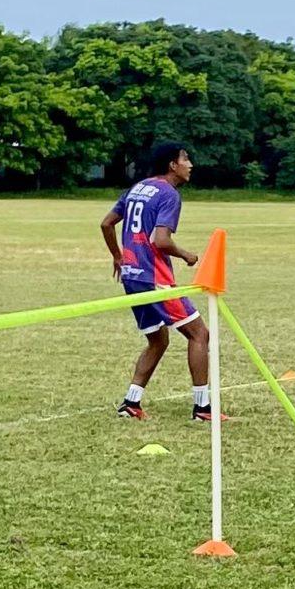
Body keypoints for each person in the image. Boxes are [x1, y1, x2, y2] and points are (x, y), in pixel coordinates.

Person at [100, 142, 214, 424]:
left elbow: (106, 223)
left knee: (158, 340)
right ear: (172, 165)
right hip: (154, 279)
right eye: (186, 159)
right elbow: (160, 241)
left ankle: (131, 402)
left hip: (132, 277)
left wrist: (118, 256)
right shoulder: (169, 194)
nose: (191, 165)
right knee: (200, 335)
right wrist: (187, 254)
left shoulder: (138, 187)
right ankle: (203, 409)